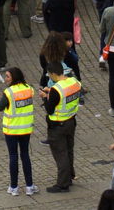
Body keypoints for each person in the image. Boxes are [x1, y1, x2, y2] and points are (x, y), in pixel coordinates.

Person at [0, 67, 38, 196]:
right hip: (25, 129)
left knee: (13, 156)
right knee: (25, 155)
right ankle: (29, 186)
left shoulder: (9, 92)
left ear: (14, 78)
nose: (6, 79)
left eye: (8, 76)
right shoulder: (29, 89)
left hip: (11, 130)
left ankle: (14, 187)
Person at [41, 61, 79, 193]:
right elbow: (64, 96)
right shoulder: (74, 82)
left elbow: (50, 109)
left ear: (52, 74)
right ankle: (69, 176)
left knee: (60, 154)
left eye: (49, 75)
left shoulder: (57, 89)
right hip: (71, 121)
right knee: (69, 151)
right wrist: (51, 92)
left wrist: (46, 97)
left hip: (58, 125)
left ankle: (63, 184)